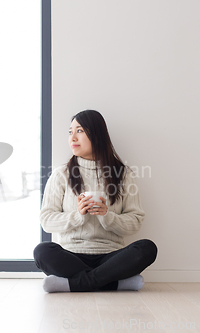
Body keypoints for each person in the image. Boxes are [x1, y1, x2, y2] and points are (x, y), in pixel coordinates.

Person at [33, 110, 158, 293]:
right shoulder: (61, 175)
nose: (72, 138)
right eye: (70, 132)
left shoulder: (123, 175)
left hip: (111, 256)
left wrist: (107, 216)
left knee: (147, 248)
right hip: (72, 255)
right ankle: (115, 283)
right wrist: (77, 216)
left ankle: (73, 284)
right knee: (42, 251)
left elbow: (135, 222)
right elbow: (46, 220)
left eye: (80, 131)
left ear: (97, 134)